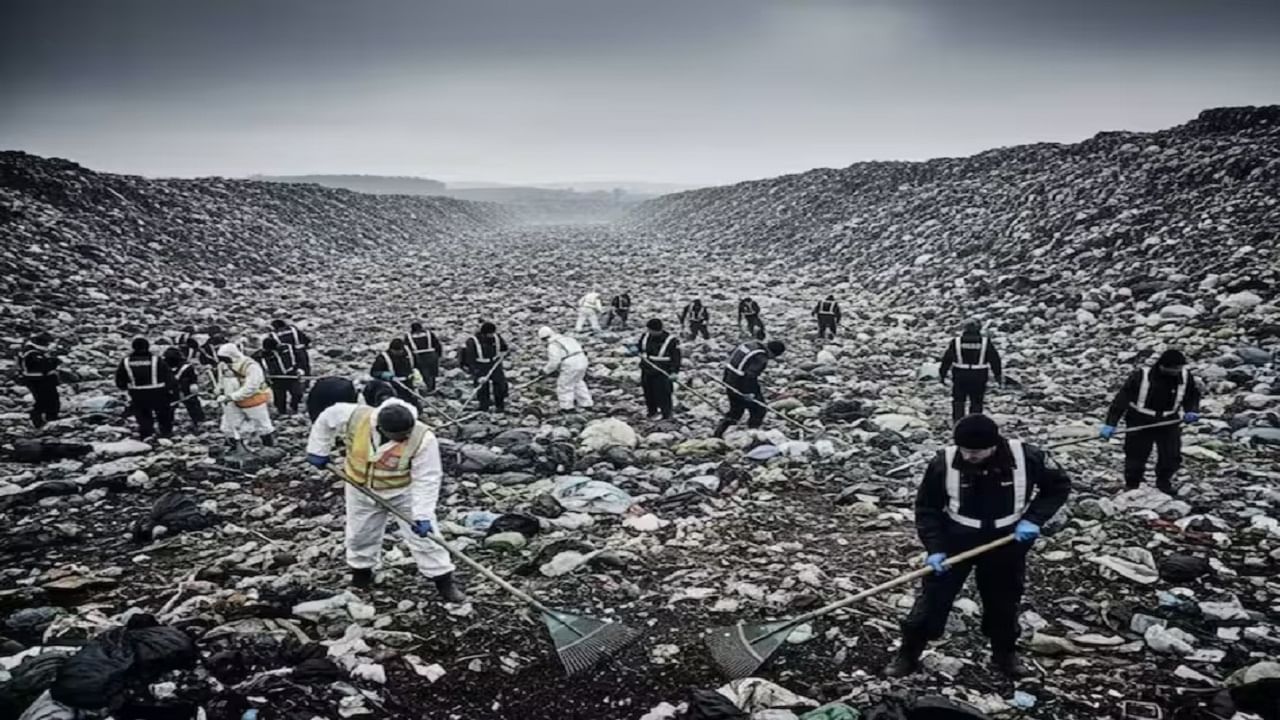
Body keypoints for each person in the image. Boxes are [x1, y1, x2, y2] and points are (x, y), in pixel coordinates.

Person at [884, 414, 1070, 679]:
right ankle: (908, 654)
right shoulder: (944, 462)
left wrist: (1033, 519)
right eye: (966, 450)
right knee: (932, 600)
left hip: (1007, 540)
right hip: (957, 539)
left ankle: (1005, 654)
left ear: (994, 445)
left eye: (977, 451)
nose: (970, 456)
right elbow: (927, 507)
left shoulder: (1027, 456)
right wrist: (935, 547)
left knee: (1003, 602)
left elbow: (1059, 486)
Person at [305, 397, 465, 602]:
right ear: (381, 428)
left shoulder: (423, 438)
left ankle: (444, 582)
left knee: (425, 540)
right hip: (360, 489)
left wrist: (422, 515)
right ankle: (361, 576)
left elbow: (428, 478)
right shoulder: (355, 416)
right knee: (360, 534)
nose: (405, 437)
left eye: (407, 433)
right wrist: (318, 449)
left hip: (401, 492)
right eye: (399, 436)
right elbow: (326, 418)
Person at [1101, 349, 1201, 495]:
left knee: (1171, 455)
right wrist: (1111, 423)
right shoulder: (1142, 376)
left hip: (1168, 421)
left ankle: (1164, 482)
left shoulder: (1185, 377)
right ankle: (1132, 484)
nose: (1177, 372)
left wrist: (1191, 410)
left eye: (1179, 368)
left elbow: (1192, 395)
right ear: (1162, 366)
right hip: (1139, 419)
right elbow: (1121, 399)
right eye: (1174, 369)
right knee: (1136, 455)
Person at [714, 339, 785, 437]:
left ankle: (718, 433)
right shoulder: (761, 358)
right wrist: (749, 393)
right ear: (773, 354)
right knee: (759, 409)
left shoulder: (751, 344)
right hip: (740, 383)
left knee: (736, 411)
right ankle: (752, 435)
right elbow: (749, 376)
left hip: (729, 378)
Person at [938, 321, 1003, 422]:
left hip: (960, 375)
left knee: (959, 401)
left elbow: (947, 359)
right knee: (977, 402)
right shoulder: (985, 342)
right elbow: (995, 360)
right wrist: (998, 376)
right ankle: (974, 424)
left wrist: (942, 374)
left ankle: (958, 423)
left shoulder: (956, 342)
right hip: (979, 375)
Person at [215, 342, 274, 451]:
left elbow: (251, 386)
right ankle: (234, 447)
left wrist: (233, 396)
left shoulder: (250, 365)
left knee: (262, 424)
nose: (223, 360)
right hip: (230, 400)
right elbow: (221, 380)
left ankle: (269, 448)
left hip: (252, 399)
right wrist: (219, 390)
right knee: (229, 424)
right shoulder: (223, 365)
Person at [114, 337, 176, 440]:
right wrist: (171, 390)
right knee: (163, 415)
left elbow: (120, 379)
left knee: (143, 416)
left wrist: (125, 388)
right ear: (147, 347)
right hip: (158, 392)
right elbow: (168, 376)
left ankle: (147, 435)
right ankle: (166, 433)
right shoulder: (156, 360)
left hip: (137, 393)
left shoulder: (126, 361)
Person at [538, 326, 592, 412]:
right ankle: (587, 404)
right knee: (578, 382)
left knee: (564, 385)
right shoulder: (568, 339)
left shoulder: (553, 345)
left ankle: (567, 407)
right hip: (582, 360)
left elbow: (554, 362)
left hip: (570, 363)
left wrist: (545, 371)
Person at [638, 319, 682, 420]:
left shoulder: (671, 340)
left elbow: (676, 357)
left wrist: (674, 371)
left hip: (663, 372)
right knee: (649, 393)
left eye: (651, 330)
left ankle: (667, 415)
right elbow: (640, 349)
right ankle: (652, 412)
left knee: (664, 394)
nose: (649, 332)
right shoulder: (645, 337)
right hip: (647, 370)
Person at [462, 322, 510, 413]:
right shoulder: (473, 342)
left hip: (495, 363)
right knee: (482, 387)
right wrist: (477, 374)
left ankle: (500, 405)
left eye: (493, 333)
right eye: (490, 334)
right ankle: (484, 406)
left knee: (500, 385)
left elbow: (504, 348)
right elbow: (469, 360)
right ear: (484, 333)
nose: (492, 335)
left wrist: (504, 353)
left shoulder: (496, 337)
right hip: (480, 365)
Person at [18, 332, 61, 429]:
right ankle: (41, 422)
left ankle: (48, 420)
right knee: (45, 402)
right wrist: (54, 362)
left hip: (40, 380)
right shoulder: (32, 353)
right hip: (38, 380)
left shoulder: (31, 350)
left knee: (50, 401)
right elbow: (42, 366)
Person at [163, 346, 206, 431]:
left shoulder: (186, 367)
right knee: (168, 407)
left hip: (184, 389)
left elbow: (193, 378)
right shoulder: (164, 365)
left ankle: (198, 421)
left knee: (192, 403)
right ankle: (167, 424)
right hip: (171, 389)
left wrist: (193, 385)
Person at [370, 339, 422, 408]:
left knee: (414, 404)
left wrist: (416, 373)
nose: (399, 353)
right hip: (392, 385)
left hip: (409, 383)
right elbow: (374, 372)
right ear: (391, 350)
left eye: (401, 351)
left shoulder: (409, 353)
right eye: (396, 352)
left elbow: (417, 365)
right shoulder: (383, 358)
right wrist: (383, 374)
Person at [259, 336, 304, 416]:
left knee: (297, 393)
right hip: (276, 379)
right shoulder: (261, 356)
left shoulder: (287, 348)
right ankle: (282, 413)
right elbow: (259, 368)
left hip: (291, 374)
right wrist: (266, 379)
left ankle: (294, 407)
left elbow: (299, 358)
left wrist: (300, 368)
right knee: (280, 398)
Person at [405, 321, 443, 394]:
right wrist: (439, 355)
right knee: (433, 372)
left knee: (424, 372)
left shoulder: (409, 336)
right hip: (432, 355)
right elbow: (437, 345)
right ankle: (432, 387)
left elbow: (407, 348)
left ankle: (429, 387)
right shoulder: (429, 334)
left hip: (418, 356)